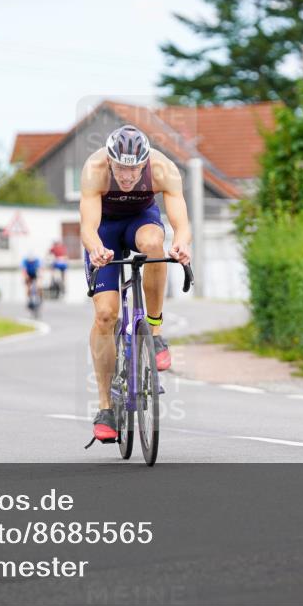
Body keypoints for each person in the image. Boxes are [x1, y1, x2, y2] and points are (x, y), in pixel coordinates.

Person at [81, 125, 191, 443]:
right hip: (105, 231)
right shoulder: (94, 169)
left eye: (133, 169)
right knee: (105, 315)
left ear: (144, 163)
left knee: (155, 245)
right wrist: (95, 249)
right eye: (121, 168)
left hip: (141, 221)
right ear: (110, 161)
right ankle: (106, 408)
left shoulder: (163, 169)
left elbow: (181, 223)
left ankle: (154, 332)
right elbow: (88, 226)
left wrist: (182, 245)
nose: (127, 177)